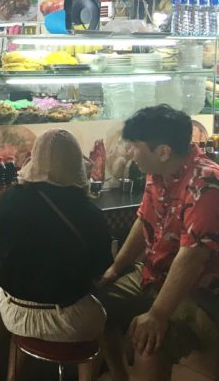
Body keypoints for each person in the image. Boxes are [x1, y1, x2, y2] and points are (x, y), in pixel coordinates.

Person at [97, 105, 219, 381]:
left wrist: (157, 314)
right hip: (155, 274)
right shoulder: (157, 171)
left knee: (149, 344)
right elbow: (144, 220)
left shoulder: (207, 183)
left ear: (163, 151)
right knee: (95, 307)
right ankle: (119, 376)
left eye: (134, 146)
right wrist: (116, 269)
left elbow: (192, 257)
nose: (129, 152)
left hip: (200, 290)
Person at [0, 129, 112, 381]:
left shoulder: (8, 199)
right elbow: (101, 267)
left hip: (14, 313)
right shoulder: (89, 214)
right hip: (72, 321)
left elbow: (3, 250)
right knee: (105, 312)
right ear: (75, 165)